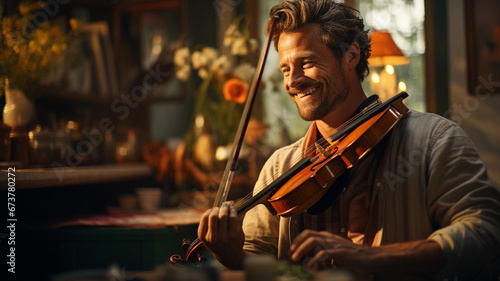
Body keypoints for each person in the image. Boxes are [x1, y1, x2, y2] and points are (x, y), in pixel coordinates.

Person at [197, 0, 500, 279]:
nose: (293, 81)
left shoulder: (435, 139)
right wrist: (234, 255)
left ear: (351, 55)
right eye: (286, 69)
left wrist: (368, 257)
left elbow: (484, 233)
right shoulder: (280, 167)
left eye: (306, 62)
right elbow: (264, 264)